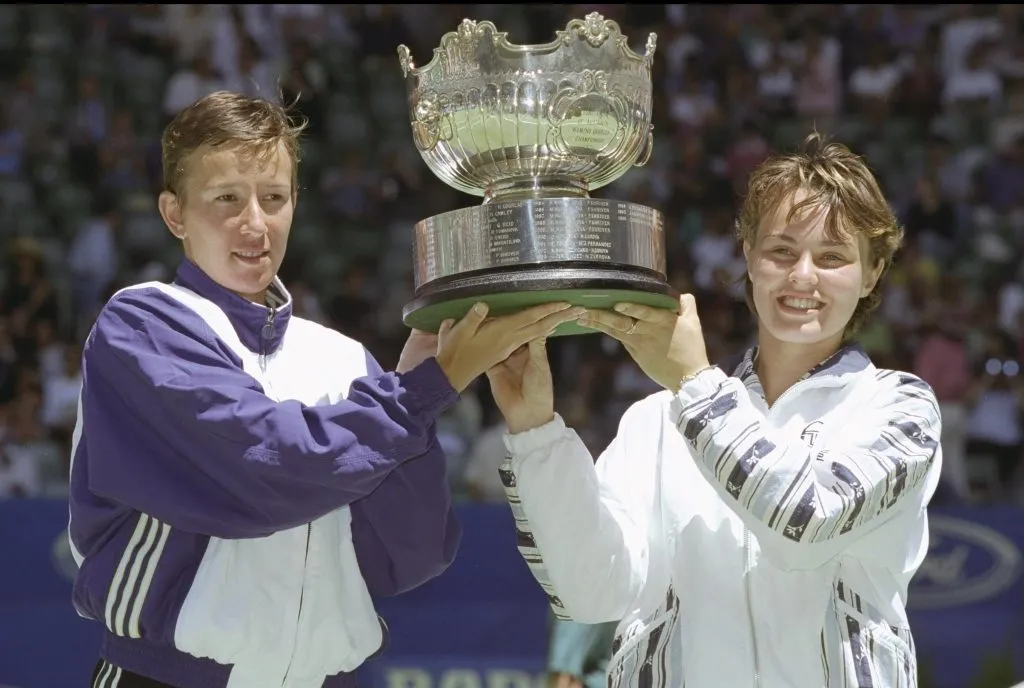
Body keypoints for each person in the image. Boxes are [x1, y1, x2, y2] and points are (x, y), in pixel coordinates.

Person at [68, 91, 582, 688]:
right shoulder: (141, 325)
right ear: (174, 213)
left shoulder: (341, 359)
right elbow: (267, 470)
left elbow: (412, 554)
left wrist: (417, 397)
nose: (255, 223)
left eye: (274, 198)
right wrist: (423, 392)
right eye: (226, 199)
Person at [488, 134, 943, 687]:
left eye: (832, 257)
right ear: (748, 255)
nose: (803, 276)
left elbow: (805, 522)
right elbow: (589, 593)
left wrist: (694, 384)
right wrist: (535, 432)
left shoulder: (900, 407)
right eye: (781, 250)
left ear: (871, 274)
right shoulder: (655, 420)